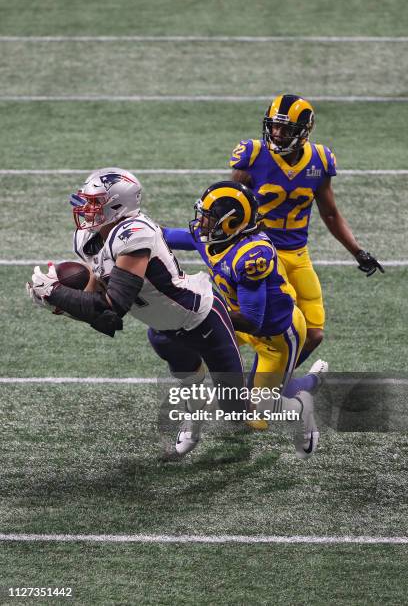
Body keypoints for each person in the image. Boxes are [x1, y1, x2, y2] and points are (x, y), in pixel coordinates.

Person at [26, 167, 248, 456]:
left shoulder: (133, 234)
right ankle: (195, 413)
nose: (85, 209)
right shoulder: (88, 240)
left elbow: (113, 308)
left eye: (94, 203)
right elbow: (101, 315)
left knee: (237, 410)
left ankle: (300, 399)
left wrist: (56, 292)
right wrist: (60, 302)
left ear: (117, 206)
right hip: (164, 330)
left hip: (203, 320)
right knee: (190, 381)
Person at [163, 180, 328, 456]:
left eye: (210, 218)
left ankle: (302, 404)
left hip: (276, 335)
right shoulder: (211, 238)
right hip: (235, 322)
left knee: (255, 413)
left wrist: (202, 312)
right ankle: (194, 413)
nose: (202, 224)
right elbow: (164, 236)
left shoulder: (252, 255)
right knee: (186, 352)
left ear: (232, 223)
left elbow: (253, 319)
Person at [229, 93, 384, 367]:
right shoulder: (252, 155)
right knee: (269, 331)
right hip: (261, 253)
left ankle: (276, 384)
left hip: (298, 256)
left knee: (313, 334)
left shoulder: (320, 160)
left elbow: (330, 214)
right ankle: (242, 385)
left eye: (285, 128)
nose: (276, 133)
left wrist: (358, 251)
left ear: (304, 132)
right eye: (273, 126)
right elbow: (232, 207)